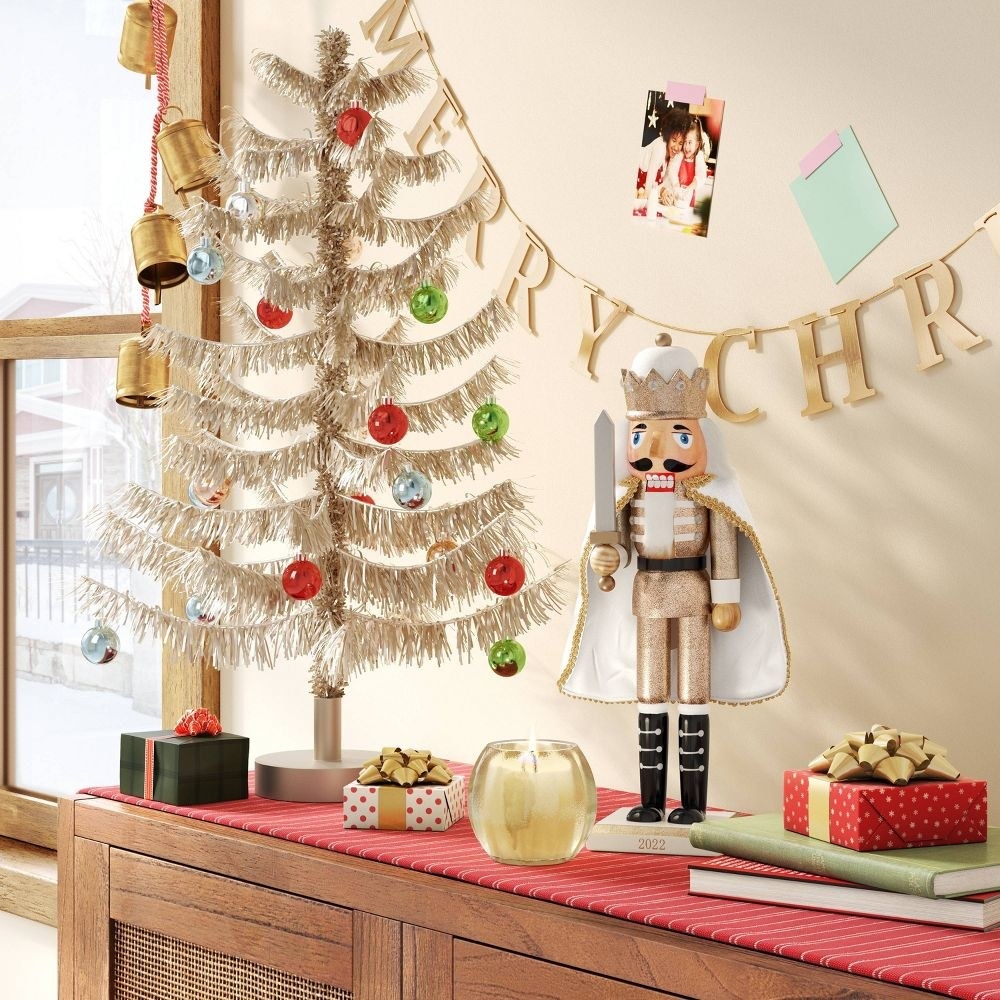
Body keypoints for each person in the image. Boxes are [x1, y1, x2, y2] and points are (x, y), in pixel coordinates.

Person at [559, 337, 790, 824]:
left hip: (694, 595)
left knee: (692, 692)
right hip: (646, 593)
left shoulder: (713, 496)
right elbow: (615, 540)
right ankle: (649, 799)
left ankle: (692, 803)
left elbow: (725, 546)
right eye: (644, 434)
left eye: (679, 435)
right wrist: (607, 554)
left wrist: (727, 597)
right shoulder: (628, 493)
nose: (658, 450)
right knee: (650, 692)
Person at [635, 107, 687, 216]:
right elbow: (648, 188)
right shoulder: (660, 147)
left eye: (680, 143)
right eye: (674, 140)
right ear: (667, 136)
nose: (677, 147)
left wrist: (665, 192)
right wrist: (659, 194)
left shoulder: (670, 155)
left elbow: (656, 185)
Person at [667, 116, 709, 210]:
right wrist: (676, 185)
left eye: (690, 142)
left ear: (697, 144)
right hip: (676, 196)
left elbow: (701, 175)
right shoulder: (680, 155)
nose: (686, 147)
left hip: (689, 201)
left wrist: (689, 188)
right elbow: (672, 170)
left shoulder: (699, 157)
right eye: (684, 142)